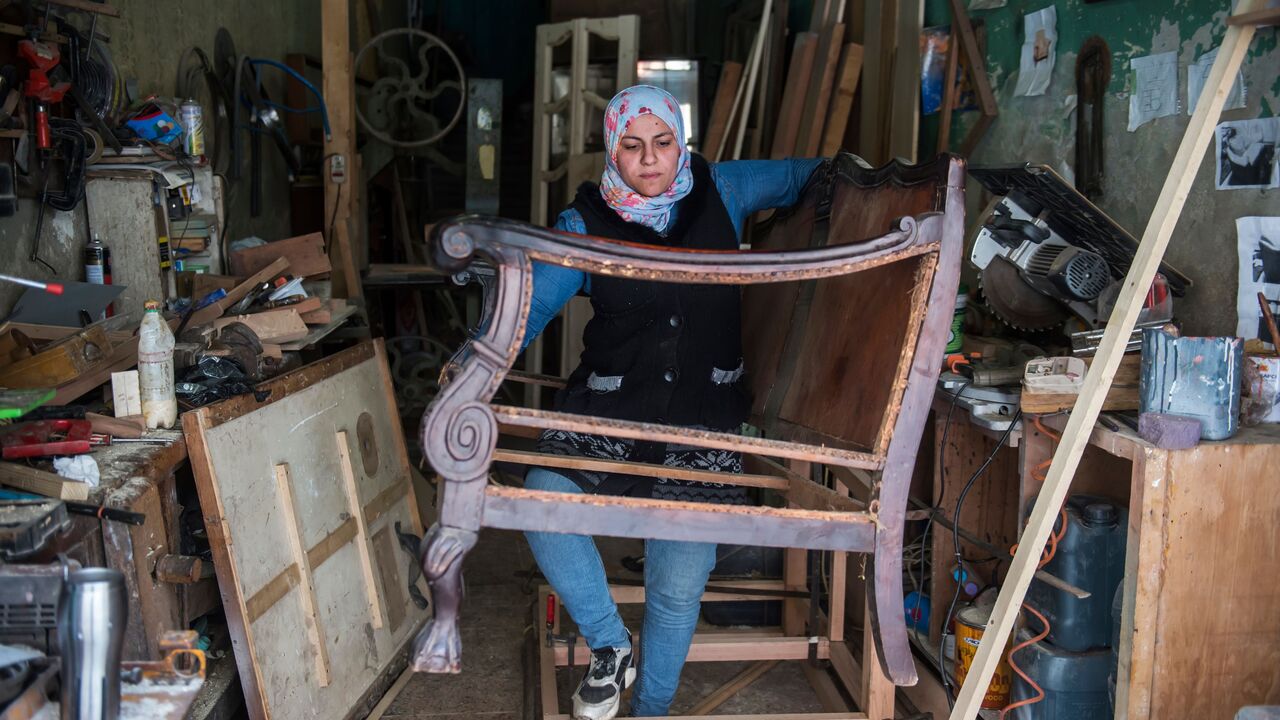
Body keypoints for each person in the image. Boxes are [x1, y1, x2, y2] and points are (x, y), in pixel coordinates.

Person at [520, 84, 824, 719]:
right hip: (611, 407)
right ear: (612, 149)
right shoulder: (583, 225)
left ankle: (650, 710)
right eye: (632, 146)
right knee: (543, 502)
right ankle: (609, 647)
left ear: (681, 143)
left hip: (702, 418)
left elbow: (807, 176)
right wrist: (470, 364)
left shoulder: (723, 191)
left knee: (679, 585)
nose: (650, 159)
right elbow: (525, 312)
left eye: (663, 142)